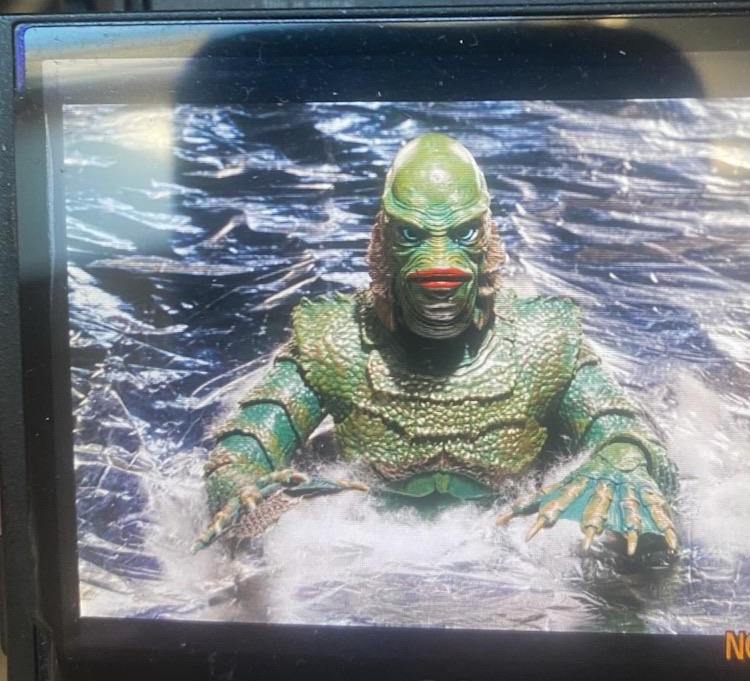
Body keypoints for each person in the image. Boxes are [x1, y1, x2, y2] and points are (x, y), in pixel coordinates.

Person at [196, 133, 678, 556]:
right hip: (370, 543)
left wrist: (620, 463)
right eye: (412, 235)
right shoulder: (334, 339)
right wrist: (242, 487)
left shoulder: (545, 340)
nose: (439, 262)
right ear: (383, 240)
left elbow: (629, 438)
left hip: (513, 542)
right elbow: (241, 448)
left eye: (463, 233)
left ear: (486, 238)